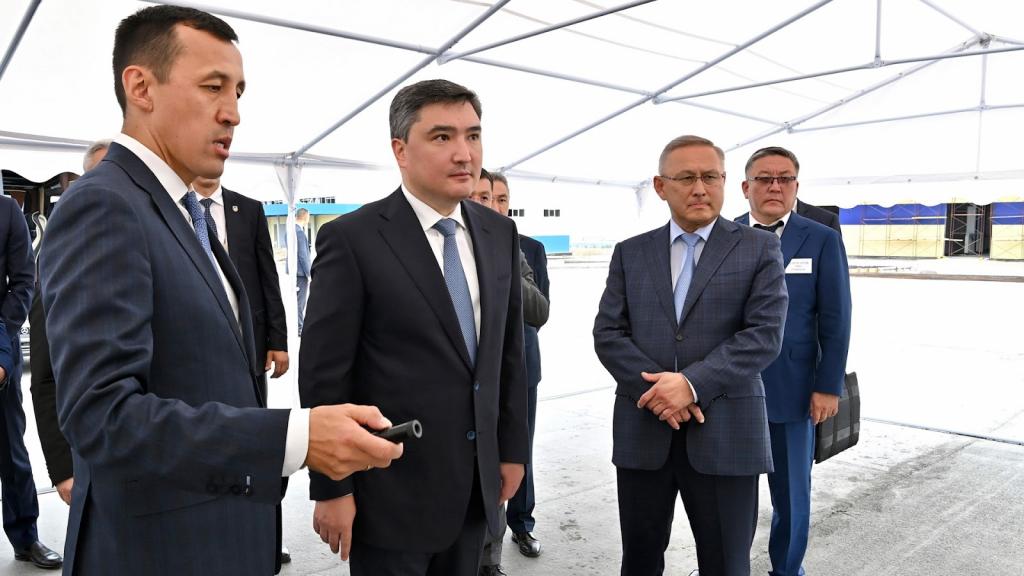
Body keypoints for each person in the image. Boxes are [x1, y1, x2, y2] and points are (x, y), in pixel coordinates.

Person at [38, 6, 402, 574]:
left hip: (219, 536)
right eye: (213, 87)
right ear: (141, 87)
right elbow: (103, 417)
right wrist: (296, 438)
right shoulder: (106, 205)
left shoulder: (180, 211)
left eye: (238, 92)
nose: (232, 113)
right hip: (160, 553)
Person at [299, 79, 529, 576]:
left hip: (475, 488)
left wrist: (512, 450)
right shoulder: (353, 239)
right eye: (442, 137)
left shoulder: (499, 233)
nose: (464, 153)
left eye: (473, 135)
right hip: (390, 494)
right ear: (400, 150)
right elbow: (324, 377)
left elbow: (508, 354)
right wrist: (331, 487)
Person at [593, 135, 787, 576]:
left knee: (726, 564)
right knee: (639, 561)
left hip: (727, 432)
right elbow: (608, 333)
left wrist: (691, 385)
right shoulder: (631, 252)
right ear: (661, 187)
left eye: (710, 177)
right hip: (645, 431)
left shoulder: (758, 248)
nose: (700, 188)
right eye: (686, 178)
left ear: (724, 182)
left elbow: (763, 335)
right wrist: (662, 393)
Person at [737, 146, 852, 576]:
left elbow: (837, 317)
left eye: (784, 178)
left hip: (795, 389)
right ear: (745, 187)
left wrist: (827, 385)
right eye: (764, 178)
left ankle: (786, 570)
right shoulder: (724, 235)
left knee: (791, 495)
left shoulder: (820, 238)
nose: (775, 186)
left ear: (796, 186)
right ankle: (728, 566)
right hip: (731, 389)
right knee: (730, 495)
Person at [193, 176, 292, 564]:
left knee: (254, 437)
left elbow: (268, 276)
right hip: (198, 349)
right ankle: (213, 528)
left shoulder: (248, 210)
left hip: (248, 346)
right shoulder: (175, 207)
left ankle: (264, 530)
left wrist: (278, 339)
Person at [28, 139, 111, 513]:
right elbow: (45, 378)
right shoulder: (60, 261)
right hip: (92, 455)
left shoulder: (158, 247)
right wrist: (63, 469)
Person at [474, 170, 549, 576]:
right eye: (485, 198)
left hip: (520, 368)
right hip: (473, 374)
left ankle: (522, 523)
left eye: (500, 199)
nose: (493, 206)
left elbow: (539, 310)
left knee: (518, 451)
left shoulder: (525, 248)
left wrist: (502, 268)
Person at [0, 192, 63, 570]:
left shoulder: (7, 211)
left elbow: (23, 283)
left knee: (11, 450)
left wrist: (1, 347)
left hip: (0, 343)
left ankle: (26, 539)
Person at [294, 207, 311, 335]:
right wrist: (309, 273)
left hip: (294, 272)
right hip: (301, 273)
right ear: (305, 216)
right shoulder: (299, 232)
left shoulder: (290, 230)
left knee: (296, 300)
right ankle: (300, 327)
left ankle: (298, 325)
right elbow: (303, 256)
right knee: (301, 301)